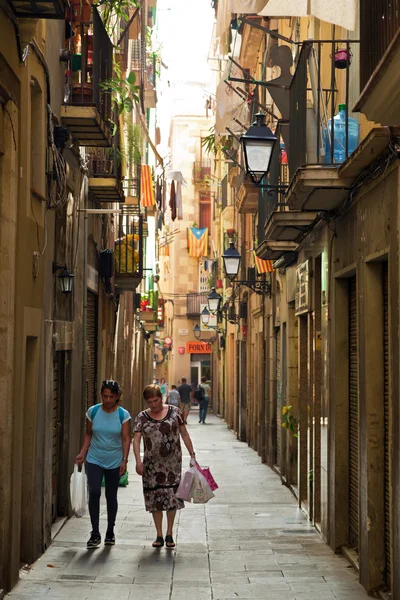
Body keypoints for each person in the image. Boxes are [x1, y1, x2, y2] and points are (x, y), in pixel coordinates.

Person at [133, 385, 196, 548]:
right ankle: (159, 534)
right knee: (154, 499)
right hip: (151, 466)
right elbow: (136, 439)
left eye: (156, 400)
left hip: (172, 464)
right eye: (150, 402)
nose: (154, 404)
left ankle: (169, 534)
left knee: (171, 498)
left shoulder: (175, 412)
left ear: (161, 397)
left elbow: (184, 433)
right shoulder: (142, 417)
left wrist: (192, 454)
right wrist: (138, 461)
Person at [76, 380, 131, 549]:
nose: (108, 400)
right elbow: (88, 434)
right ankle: (95, 532)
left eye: (111, 397)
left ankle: (110, 531)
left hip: (114, 460)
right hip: (94, 458)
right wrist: (82, 453)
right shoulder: (93, 412)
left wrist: (124, 460)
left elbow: (126, 438)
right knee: (93, 492)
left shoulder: (123, 415)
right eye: (105, 396)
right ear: (101, 395)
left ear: (117, 397)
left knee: (111, 495)